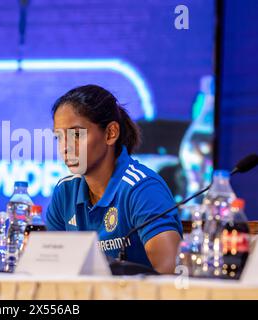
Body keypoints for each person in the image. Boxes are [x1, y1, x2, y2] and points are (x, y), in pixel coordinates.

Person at [46, 84, 182, 274]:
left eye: (76, 134)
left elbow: (170, 273)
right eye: (58, 138)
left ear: (111, 133)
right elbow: (51, 270)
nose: (64, 147)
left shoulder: (142, 188)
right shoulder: (65, 192)